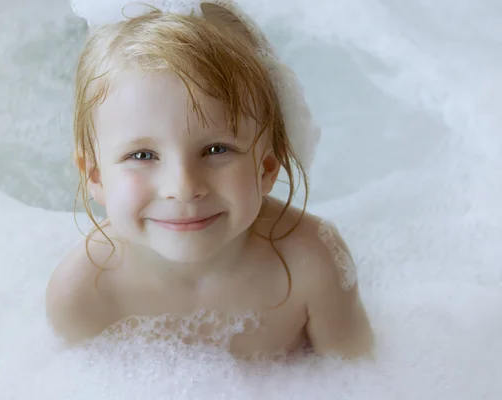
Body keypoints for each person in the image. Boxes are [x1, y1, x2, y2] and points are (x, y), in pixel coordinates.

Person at [46, 0, 374, 360]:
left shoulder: (312, 264)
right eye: (142, 156)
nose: (183, 187)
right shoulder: (83, 294)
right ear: (94, 174)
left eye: (216, 149)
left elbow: (364, 377)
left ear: (266, 166)